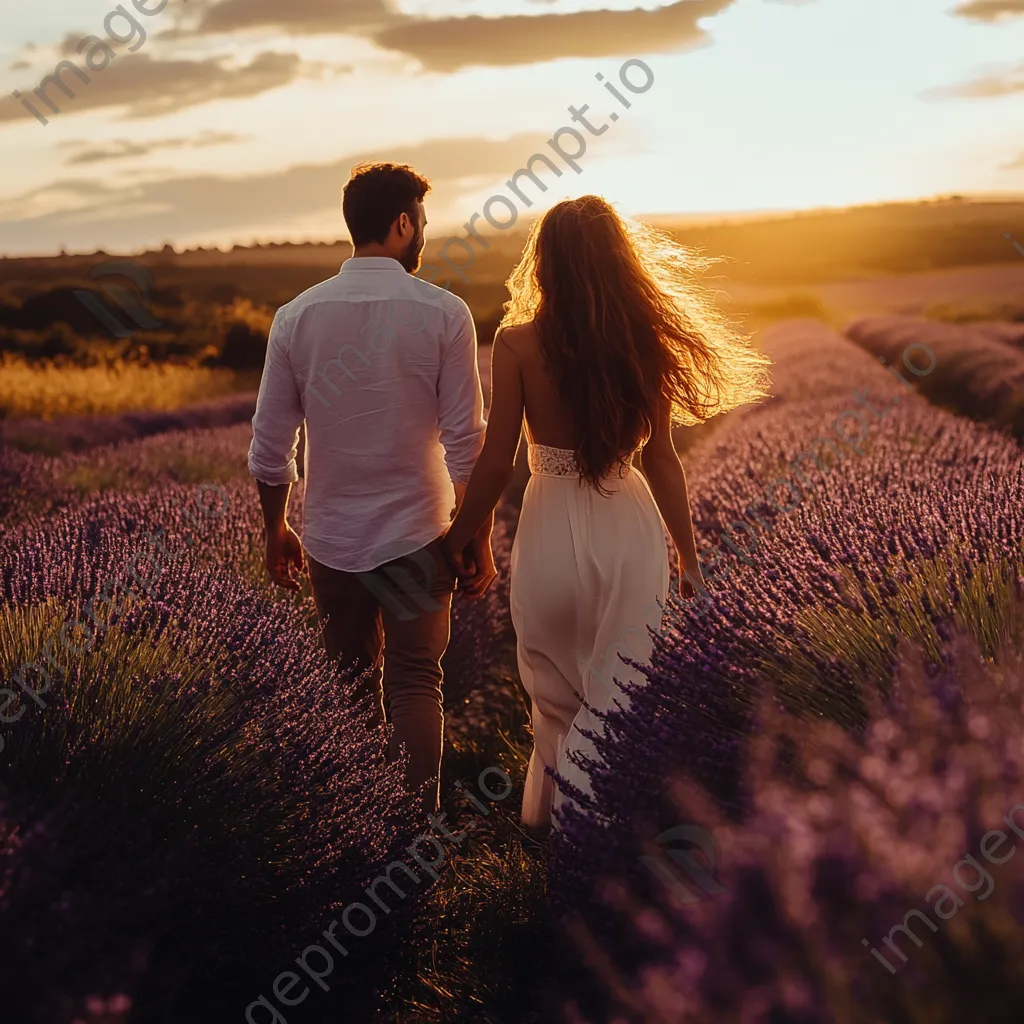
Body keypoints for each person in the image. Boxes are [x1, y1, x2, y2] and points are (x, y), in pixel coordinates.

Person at [442, 195, 771, 832]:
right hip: (630, 529)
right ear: (622, 260)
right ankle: (605, 836)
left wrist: (462, 535)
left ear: (545, 263)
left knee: (556, 692)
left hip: (548, 533)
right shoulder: (642, 342)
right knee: (620, 690)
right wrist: (690, 555)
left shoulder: (515, 344)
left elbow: (495, 460)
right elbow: (664, 462)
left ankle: (557, 833)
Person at [248, 162, 493, 817]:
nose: (424, 237)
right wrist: (476, 538)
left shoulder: (297, 317)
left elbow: (271, 446)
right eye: (422, 223)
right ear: (403, 223)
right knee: (418, 682)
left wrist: (276, 528)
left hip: (332, 537)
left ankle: (357, 835)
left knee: (349, 688)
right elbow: (468, 442)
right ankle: (412, 845)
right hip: (420, 533)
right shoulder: (445, 314)